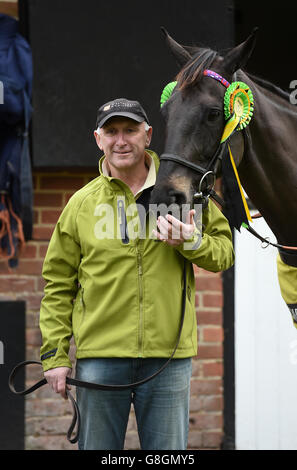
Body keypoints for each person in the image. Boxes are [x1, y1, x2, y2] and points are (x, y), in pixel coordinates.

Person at [39, 98, 234, 450]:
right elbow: (58, 285)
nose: (121, 141)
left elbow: (224, 253)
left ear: (148, 135)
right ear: (98, 139)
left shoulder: (184, 191)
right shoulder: (81, 205)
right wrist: (54, 356)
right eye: (111, 132)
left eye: (130, 130)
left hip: (167, 361)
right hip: (100, 359)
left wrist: (191, 241)